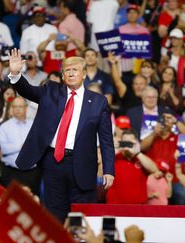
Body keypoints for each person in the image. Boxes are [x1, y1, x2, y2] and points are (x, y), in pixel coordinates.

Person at [8, 50, 114, 222]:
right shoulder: (50, 91)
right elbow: (27, 91)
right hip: (52, 162)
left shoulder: (98, 101)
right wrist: (15, 73)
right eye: (67, 70)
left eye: (75, 70)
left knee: (81, 217)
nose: (70, 73)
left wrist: (108, 169)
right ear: (63, 75)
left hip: (82, 164)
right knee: (54, 214)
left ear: (84, 74)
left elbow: (106, 140)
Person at [0, 97, 37, 193]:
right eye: (15, 107)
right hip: (11, 172)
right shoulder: (4, 127)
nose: (18, 109)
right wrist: (20, 146)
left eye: (21, 106)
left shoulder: (34, 125)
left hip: (32, 173)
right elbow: (0, 149)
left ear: (26, 108)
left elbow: (39, 146)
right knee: (10, 204)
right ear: (11, 109)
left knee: (31, 204)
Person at [106, 129, 157, 204]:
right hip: (115, 205)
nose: (127, 145)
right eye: (125, 142)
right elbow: (100, 172)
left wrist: (137, 153)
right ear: (121, 142)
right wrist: (113, 150)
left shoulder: (141, 158)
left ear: (136, 142)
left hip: (138, 206)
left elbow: (154, 169)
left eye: (130, 142)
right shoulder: (114, 157)